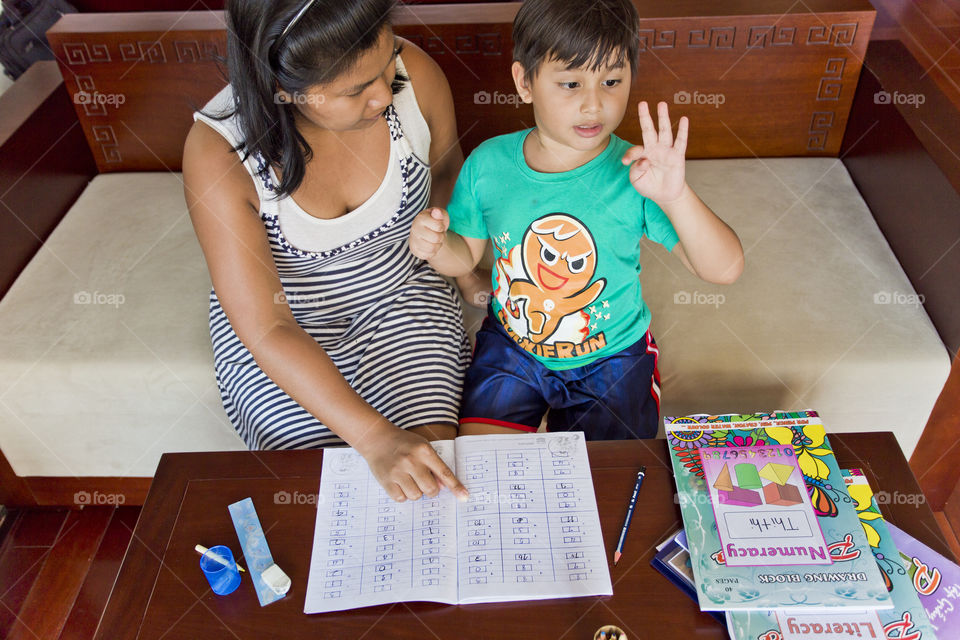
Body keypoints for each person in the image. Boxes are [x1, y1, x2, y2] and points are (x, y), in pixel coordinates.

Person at [409, 0, 744, 440]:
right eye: (570, 83)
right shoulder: (488, 164)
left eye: (612, 81)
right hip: (512, 349)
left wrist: (677, 195)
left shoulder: (636, 173)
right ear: (524, 82)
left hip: (614, 357)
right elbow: (464, 256)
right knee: (483, 466)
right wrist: (434, 247)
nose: (594, 104)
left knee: (605, 481)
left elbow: (725, 269)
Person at [183, 0, 471, 502]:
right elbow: (267, 328)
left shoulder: (415, 74)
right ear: (282, 88)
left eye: (386, 65)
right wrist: (373, 437)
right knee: (318, 491)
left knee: (431, 473)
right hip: (285, 327)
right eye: (357, 89)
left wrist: (462, 258)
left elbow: (448, 174)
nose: (385, 93)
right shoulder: (219, 153)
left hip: (403, 297)